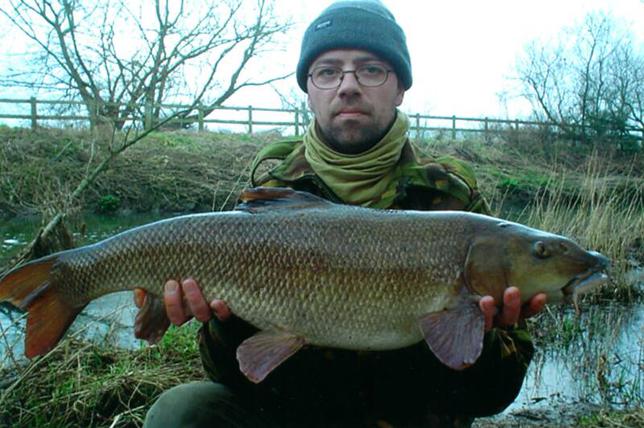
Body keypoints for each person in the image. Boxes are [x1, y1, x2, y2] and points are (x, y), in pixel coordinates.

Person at [140, 1, 546, 426]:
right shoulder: (273, 196)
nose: (348, 85)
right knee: (179, 413)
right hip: (294, 413)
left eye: (371, 69)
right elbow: (230, 374)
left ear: (401, 87)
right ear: (309, 89)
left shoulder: (451, 203)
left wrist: (476, 332)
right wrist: (225, 321)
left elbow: (493, 396)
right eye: (328, 70)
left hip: (408, 415)